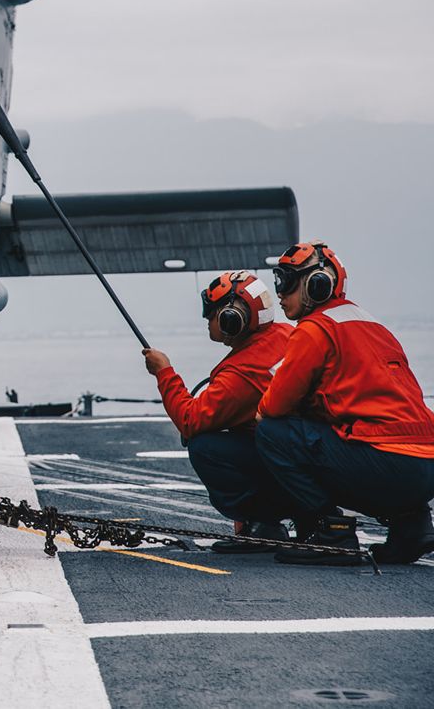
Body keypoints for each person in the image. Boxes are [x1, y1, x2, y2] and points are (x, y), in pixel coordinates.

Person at [255, 242, 434, 565]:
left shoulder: (314, 329)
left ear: (316, 284)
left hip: (387, 465)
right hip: (426, 469)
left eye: (286, 282)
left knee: (272, 433)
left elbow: (274, 407)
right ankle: (413, 527)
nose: (279, 293)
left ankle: (332, 533)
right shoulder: (372, 324)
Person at [141, 271, 298, 551]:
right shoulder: (288, 335)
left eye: (211, 313)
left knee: (205, 447)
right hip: (308, 455)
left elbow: (190, 420)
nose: (207, 319)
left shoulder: (242, 371)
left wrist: (163, 372)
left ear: (231, 318)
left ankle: (263, 523)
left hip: (293, 465)